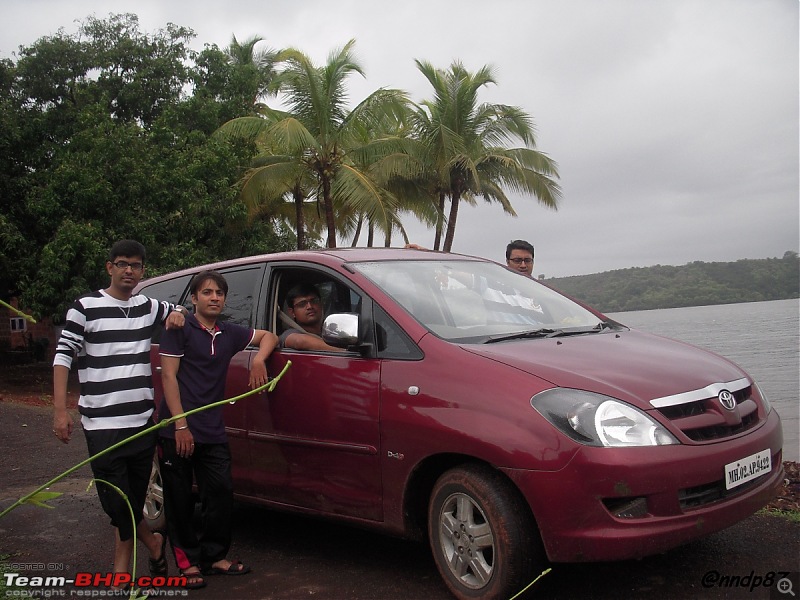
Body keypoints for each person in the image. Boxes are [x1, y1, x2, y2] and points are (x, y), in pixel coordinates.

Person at [52, 239, 187, 589]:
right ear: (110, 267)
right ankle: (155, 544)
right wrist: (60, 410)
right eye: (123, 263)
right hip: (101, 424)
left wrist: (177, 313)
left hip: (142, 424)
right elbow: (63, 356)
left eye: (137, 265)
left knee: (132, 498)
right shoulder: (85, 307)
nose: (130, 270)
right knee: (117, 502)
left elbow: (180, 310)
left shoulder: (147, 306)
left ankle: (121, 573)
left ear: (143, 271)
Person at [157, 270, 279, 589]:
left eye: (219, 293)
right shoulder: (179, 327)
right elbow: (169, 378)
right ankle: (188, 563)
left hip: (211, 429)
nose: (214, 298)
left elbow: (269, 336)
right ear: (194, 298)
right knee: (180, 500)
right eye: (207, 292)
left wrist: (258, 361)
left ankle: (215, 556)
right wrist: (180, 425)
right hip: (176, 428)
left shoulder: (229, 332)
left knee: (221, 493)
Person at [279, 283, 345, 352]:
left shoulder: (332, 330)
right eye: (302, 304)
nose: (310, 306)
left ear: (321, 304)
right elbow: (299, 342)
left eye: (314, 301)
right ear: (292, 312)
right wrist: (344, 352)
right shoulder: (289, 333)